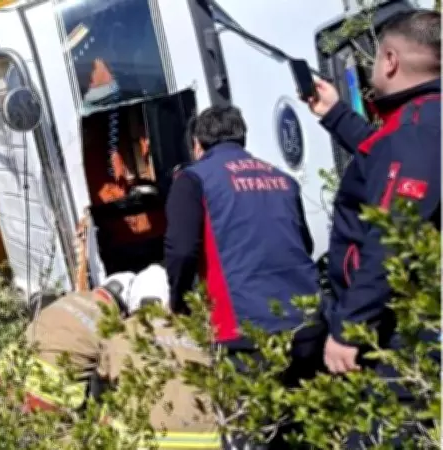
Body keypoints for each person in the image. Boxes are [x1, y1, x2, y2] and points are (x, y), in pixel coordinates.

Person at [164, 105, 324, 448]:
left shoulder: (192, 180)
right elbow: (304, 245)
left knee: (252, 437)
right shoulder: (282, 179)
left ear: (197, 144)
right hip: (308, 324)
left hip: (246, 332)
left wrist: (179, 303)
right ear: (243, 139)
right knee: (310, 434)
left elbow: (181, 251)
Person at [302, 10, 440, 375]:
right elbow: (383, 157)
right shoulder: (423, 121)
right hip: (413, 317)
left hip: (405, 328)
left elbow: (395, 233)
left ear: (391, 61)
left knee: (385, 430)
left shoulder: (415, 129)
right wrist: (334, 114)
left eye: (377, 57)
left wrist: (350, 326)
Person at [98, 264, 221, 449]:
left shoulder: (121, 331)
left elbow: (99, 385)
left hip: (146, 442)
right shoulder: (196, 333)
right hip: (205, 442)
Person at [0, 272, 137, 412]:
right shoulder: (114, 324)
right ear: (124, 308)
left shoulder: (71, 296)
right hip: (50, 395)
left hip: (9, 370)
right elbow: (104, 376)